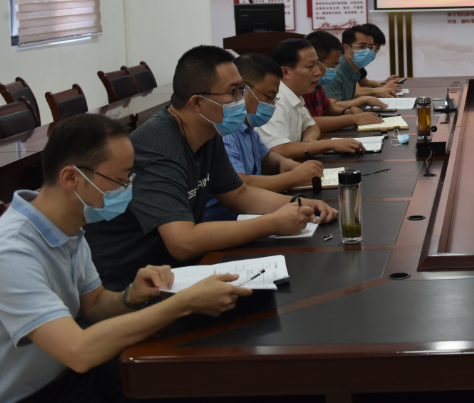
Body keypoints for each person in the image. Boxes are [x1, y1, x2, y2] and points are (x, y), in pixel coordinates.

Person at [0, 114, 255, 403]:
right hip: (35, 392)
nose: (126, 189)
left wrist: (131, 296)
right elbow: (78, 351)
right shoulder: (12, 251)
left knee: (196, 372)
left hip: (71, 374)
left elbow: (94, 305)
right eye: (119, 180)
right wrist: (182, 303)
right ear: (71, 178)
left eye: (128, 178)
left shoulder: (68, 225)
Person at [85, 45, 336, 291]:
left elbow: (239, 194)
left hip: (174, 272)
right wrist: (273, 223)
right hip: (130, 285)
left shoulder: (208, 132)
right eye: (233, 92)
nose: (241, 100)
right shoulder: (158, 147)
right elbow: (182, 241)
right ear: (197, 103)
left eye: (242, 90)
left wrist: (298, 204)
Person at [202, 53, 327, 222]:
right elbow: (240, 185)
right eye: (268, 98)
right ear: (243, 91)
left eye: (274, 99)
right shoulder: (226, 132)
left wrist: (283, 162)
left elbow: (266, 157)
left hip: (250, 217)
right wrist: (293, 178)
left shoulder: (247, 127)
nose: (272, 105)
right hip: (226, 224)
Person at [255, 39, 369, 159]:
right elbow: (278, 150)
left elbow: (312, 126)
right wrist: (329, 144)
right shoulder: (275, 101)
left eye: (317, 65)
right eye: (310, 66)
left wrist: (309, 142)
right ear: (285, 72)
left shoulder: (295, 96)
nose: (318, 72)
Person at [302, 32, 385, 131]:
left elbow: (327, 108)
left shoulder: (317, 84)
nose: (335, 70)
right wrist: (353, 119)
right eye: (333, 66)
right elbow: (310, 123)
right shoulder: (301, 87)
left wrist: (346, 111)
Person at [324, 24, 401, 101]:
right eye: (362, 47)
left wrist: (385, 82)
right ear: (346, 48)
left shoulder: (355, 67)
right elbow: (333, 105)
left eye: (371, 48)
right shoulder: (336, 70)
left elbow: (364, 83)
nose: (368, 52)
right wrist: (371, 96)